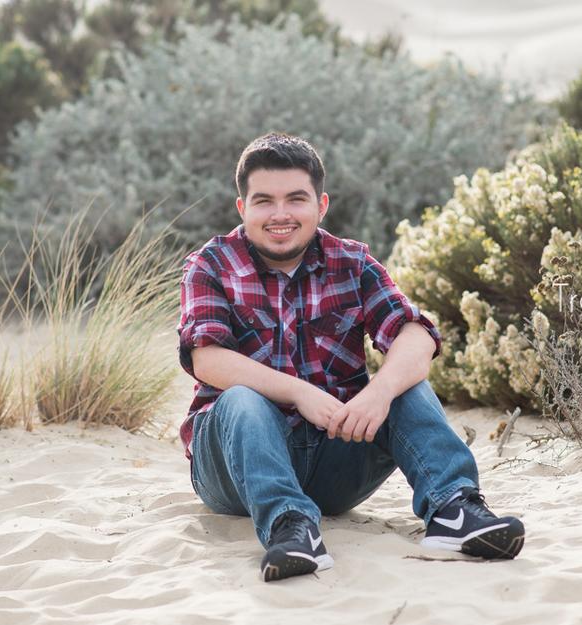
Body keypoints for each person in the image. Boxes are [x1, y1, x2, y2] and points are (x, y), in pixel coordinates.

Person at [177, 133, 524, 582]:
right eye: (264, 201)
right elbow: (208, 359)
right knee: (242, 398)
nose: (280, 214)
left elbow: (416, 335)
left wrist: (378, 394)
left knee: (404, 385)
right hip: (232, 465)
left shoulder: (352, 262)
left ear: (321, 205)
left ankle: (453, 511)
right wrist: (299, 393)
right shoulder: (211, 265)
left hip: (334, 456)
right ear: (242, 208)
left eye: (295, 199)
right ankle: (290, 527)